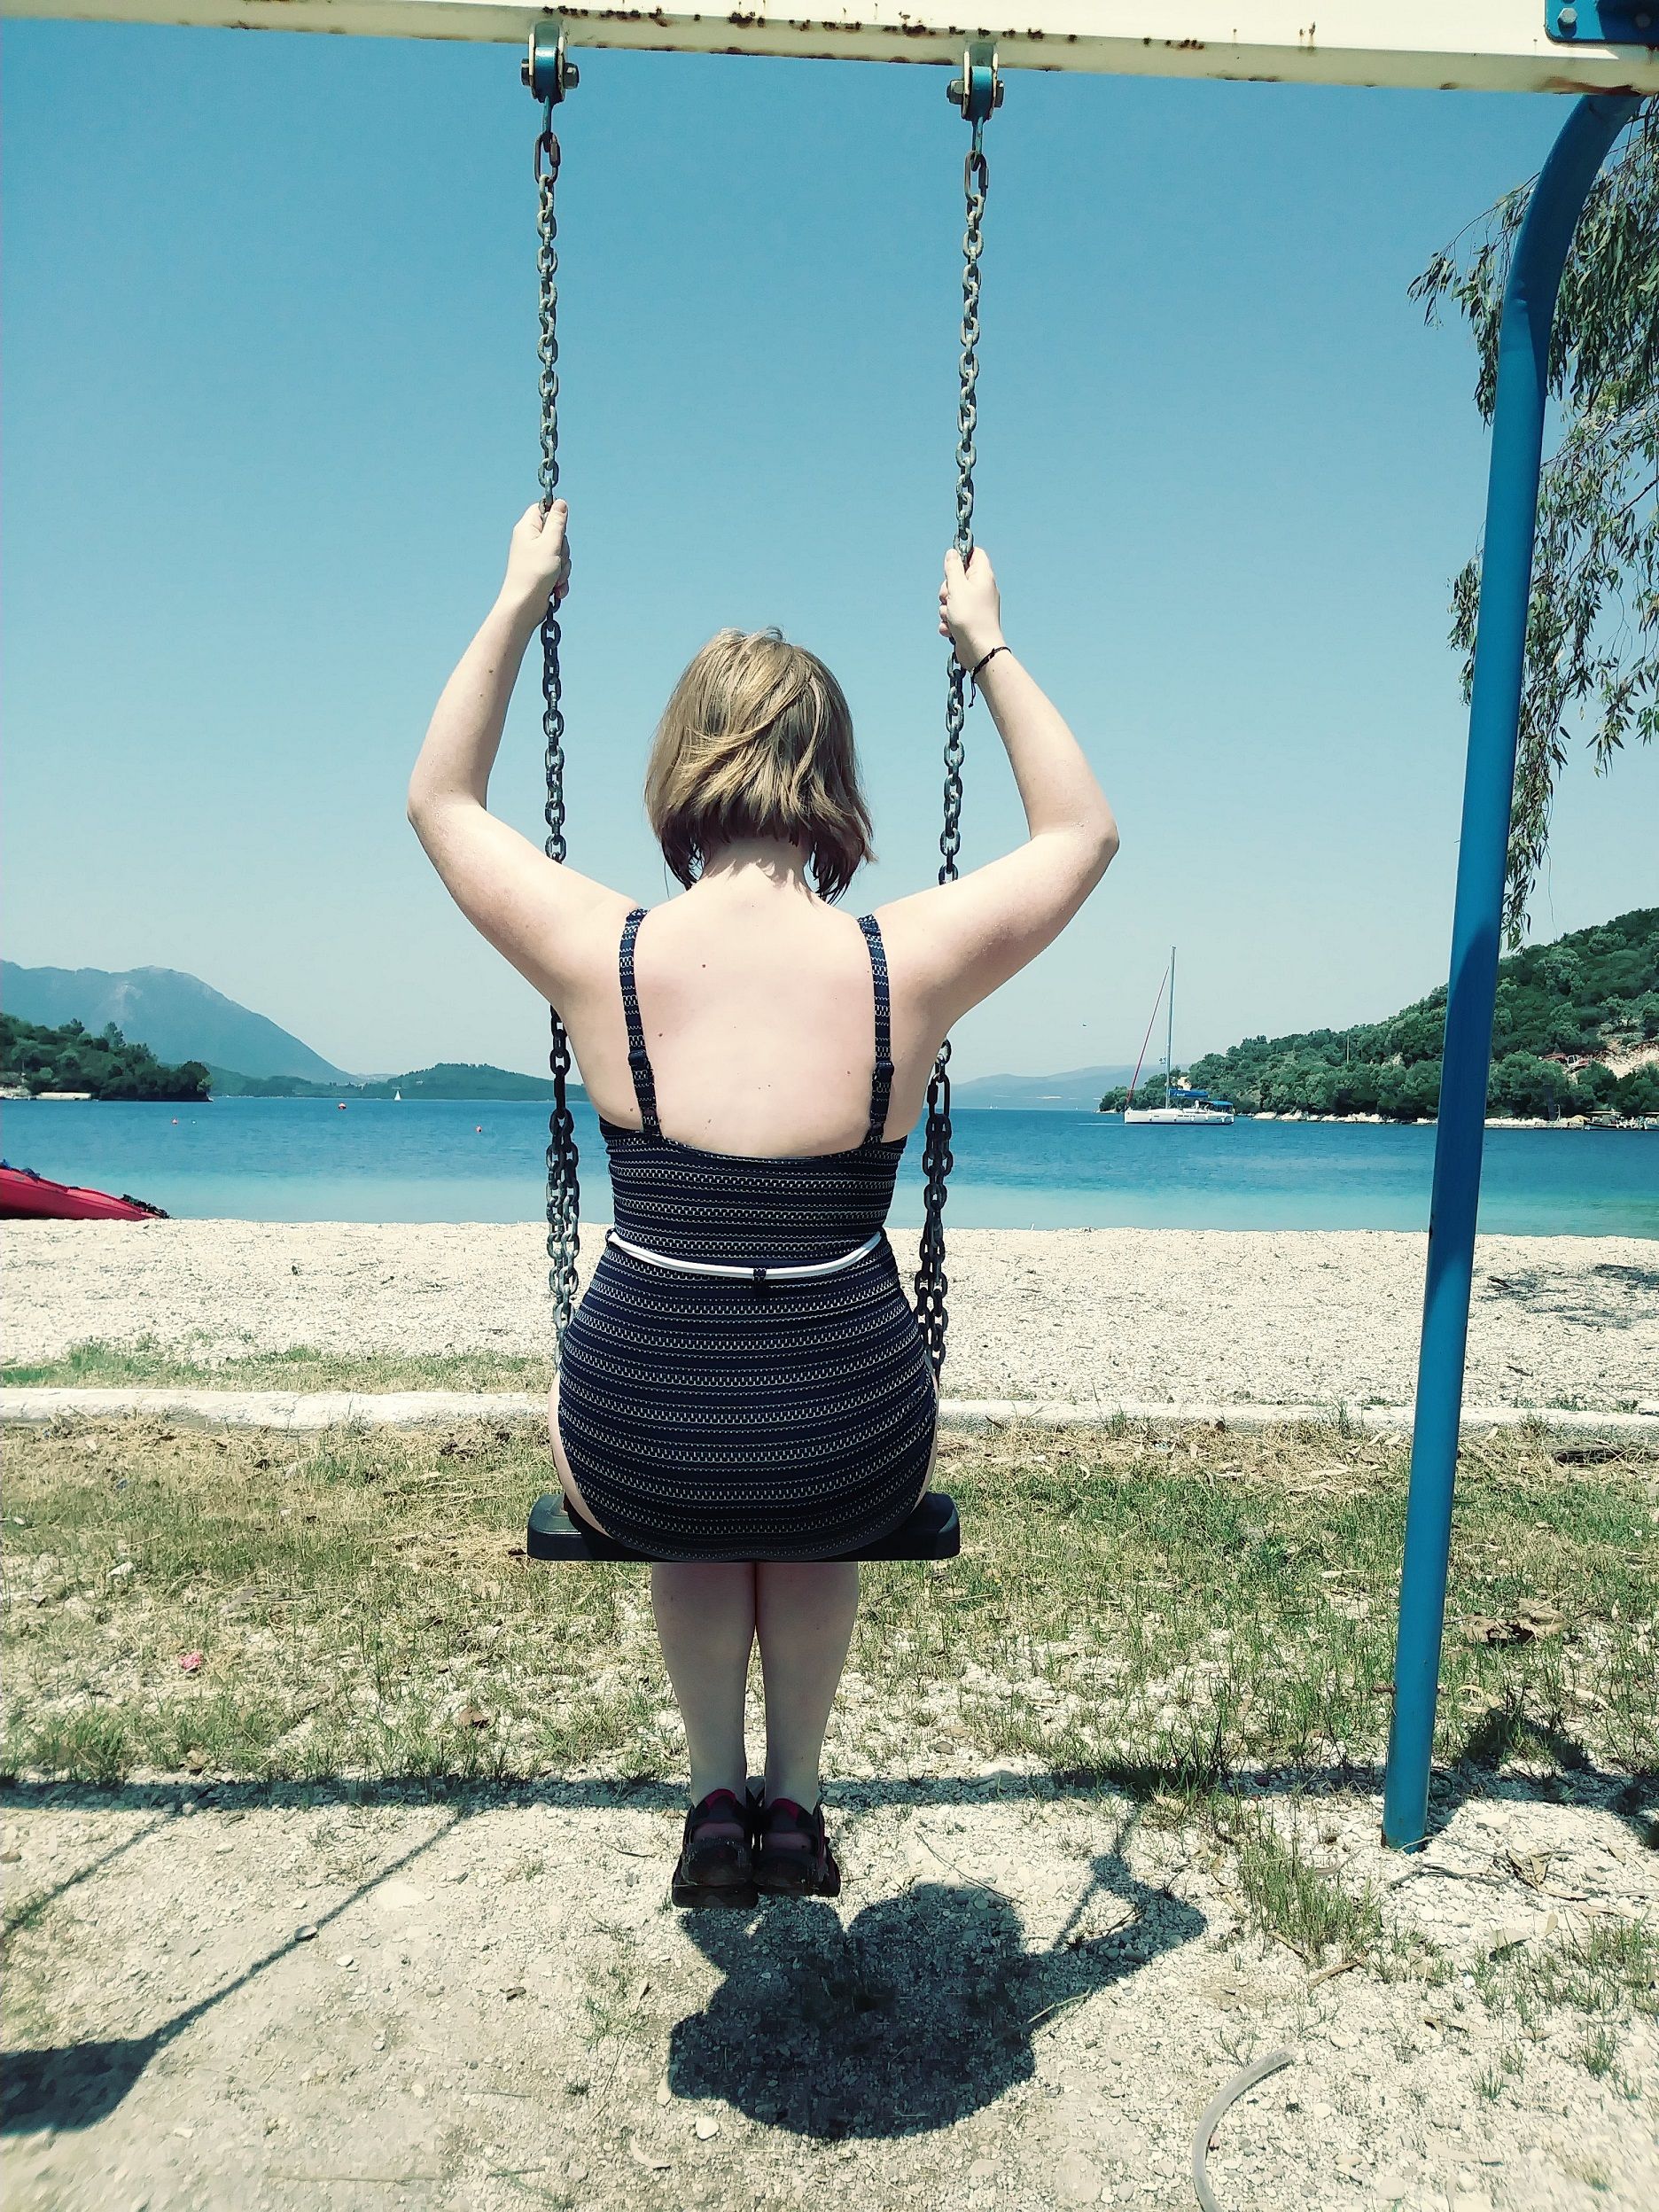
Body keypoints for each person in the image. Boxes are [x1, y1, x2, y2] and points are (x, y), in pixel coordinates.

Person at [407, 499, 1118, 1904]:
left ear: (682, 767)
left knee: (700, 1489)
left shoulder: (602, 948)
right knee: (803, 1495)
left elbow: (439, 801)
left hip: (637, 1437)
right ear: (833, 776)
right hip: (851, 1436)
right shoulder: (902, 960)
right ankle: (794, 1803)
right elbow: (1084, 833)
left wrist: (515, 602)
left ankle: (710, 1800)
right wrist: (987, 645)